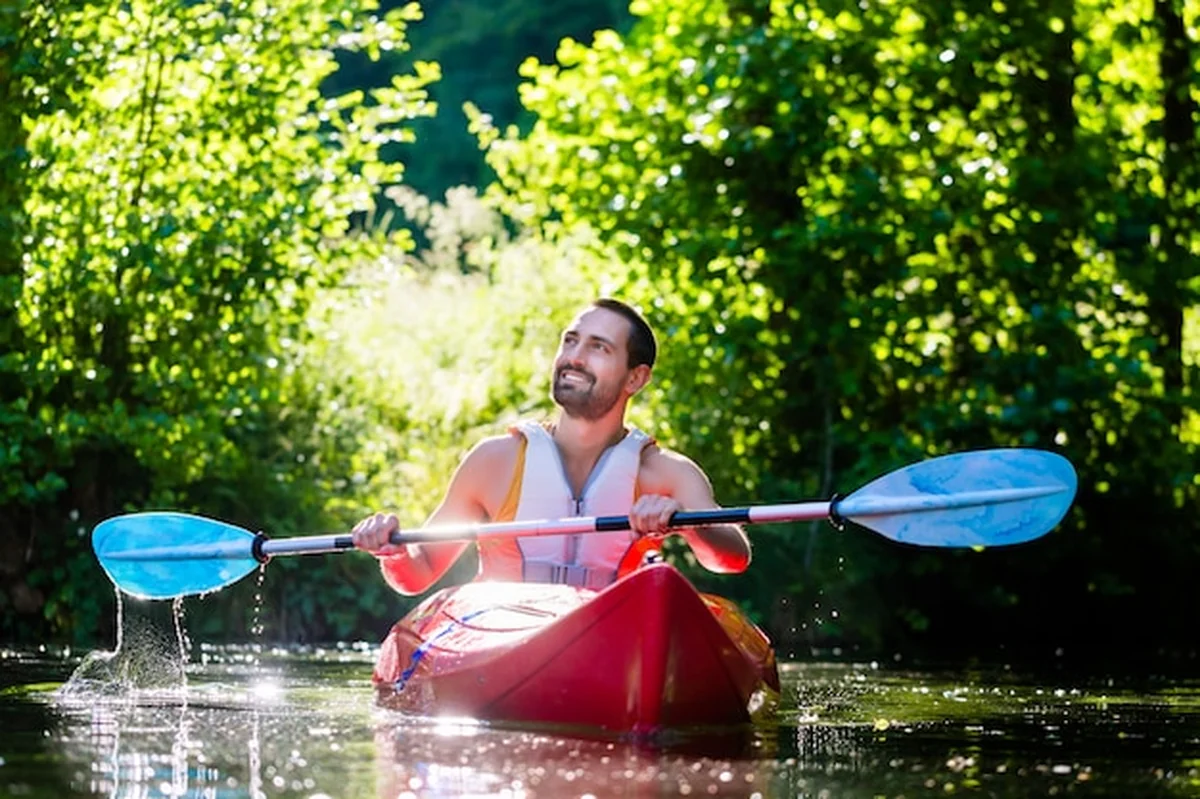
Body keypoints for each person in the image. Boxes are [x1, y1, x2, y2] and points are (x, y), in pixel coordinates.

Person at [351, 298, 751, 594]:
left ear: (635, 379)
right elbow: (419, 574)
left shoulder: (667, 473)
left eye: (598, 347)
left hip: (608, 628)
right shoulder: (493, 461)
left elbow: (732, 558)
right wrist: (393, 552)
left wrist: (687, 521)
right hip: (501, 626)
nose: (574, 358)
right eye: (570, 341)